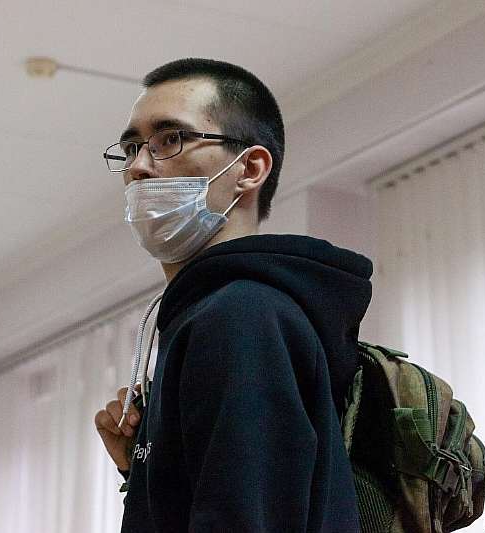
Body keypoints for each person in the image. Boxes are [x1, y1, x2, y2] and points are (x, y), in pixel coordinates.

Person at [94, 58, 372, 532]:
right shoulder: (214, 311)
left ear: (249, 169)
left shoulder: (240, 315)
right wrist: (145, 470)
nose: (138, 166)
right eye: (131, 147)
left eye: (170, 139)